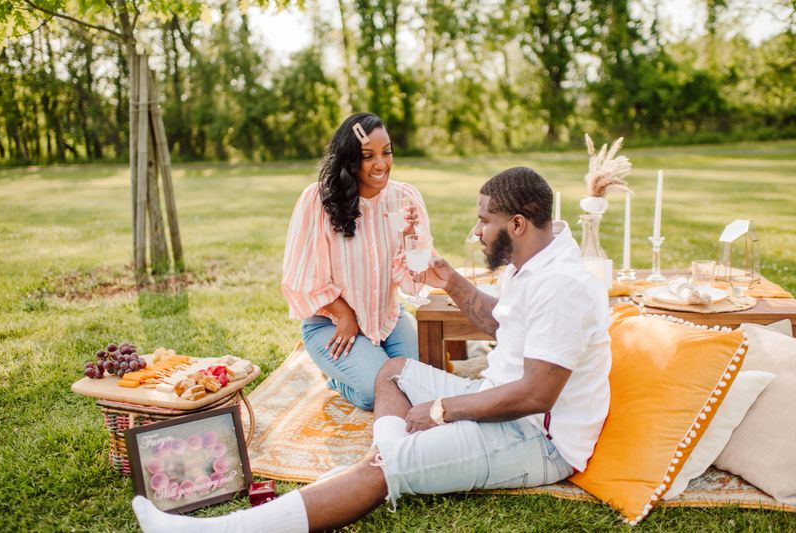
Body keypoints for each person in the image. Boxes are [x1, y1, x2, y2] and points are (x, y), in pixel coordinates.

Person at [132, 166, 611, 533]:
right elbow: (502, 324)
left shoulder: (562, 286)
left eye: (484, 222)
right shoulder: (535, 261)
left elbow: (535, 396)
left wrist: (442, 410)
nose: (477, 232)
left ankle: (220, 529)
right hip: (504, 402)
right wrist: (454, 282)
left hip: (535, 439)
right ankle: (392, 455)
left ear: (519, 223)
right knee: (395, 370)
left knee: (383, 468)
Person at [279, 112, 431, 411]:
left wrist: (414, 239)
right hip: (332, 325)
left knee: (417, 388)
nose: (381, 164)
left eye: (386, 152)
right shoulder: (318, 201)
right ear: (350, 160)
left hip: (388, 319)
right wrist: (345, 314)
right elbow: (300, 277)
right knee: (379, 395)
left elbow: (414, 281)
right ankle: (339, 379)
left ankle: (364, 363)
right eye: (368, 156)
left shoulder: (405, 198)